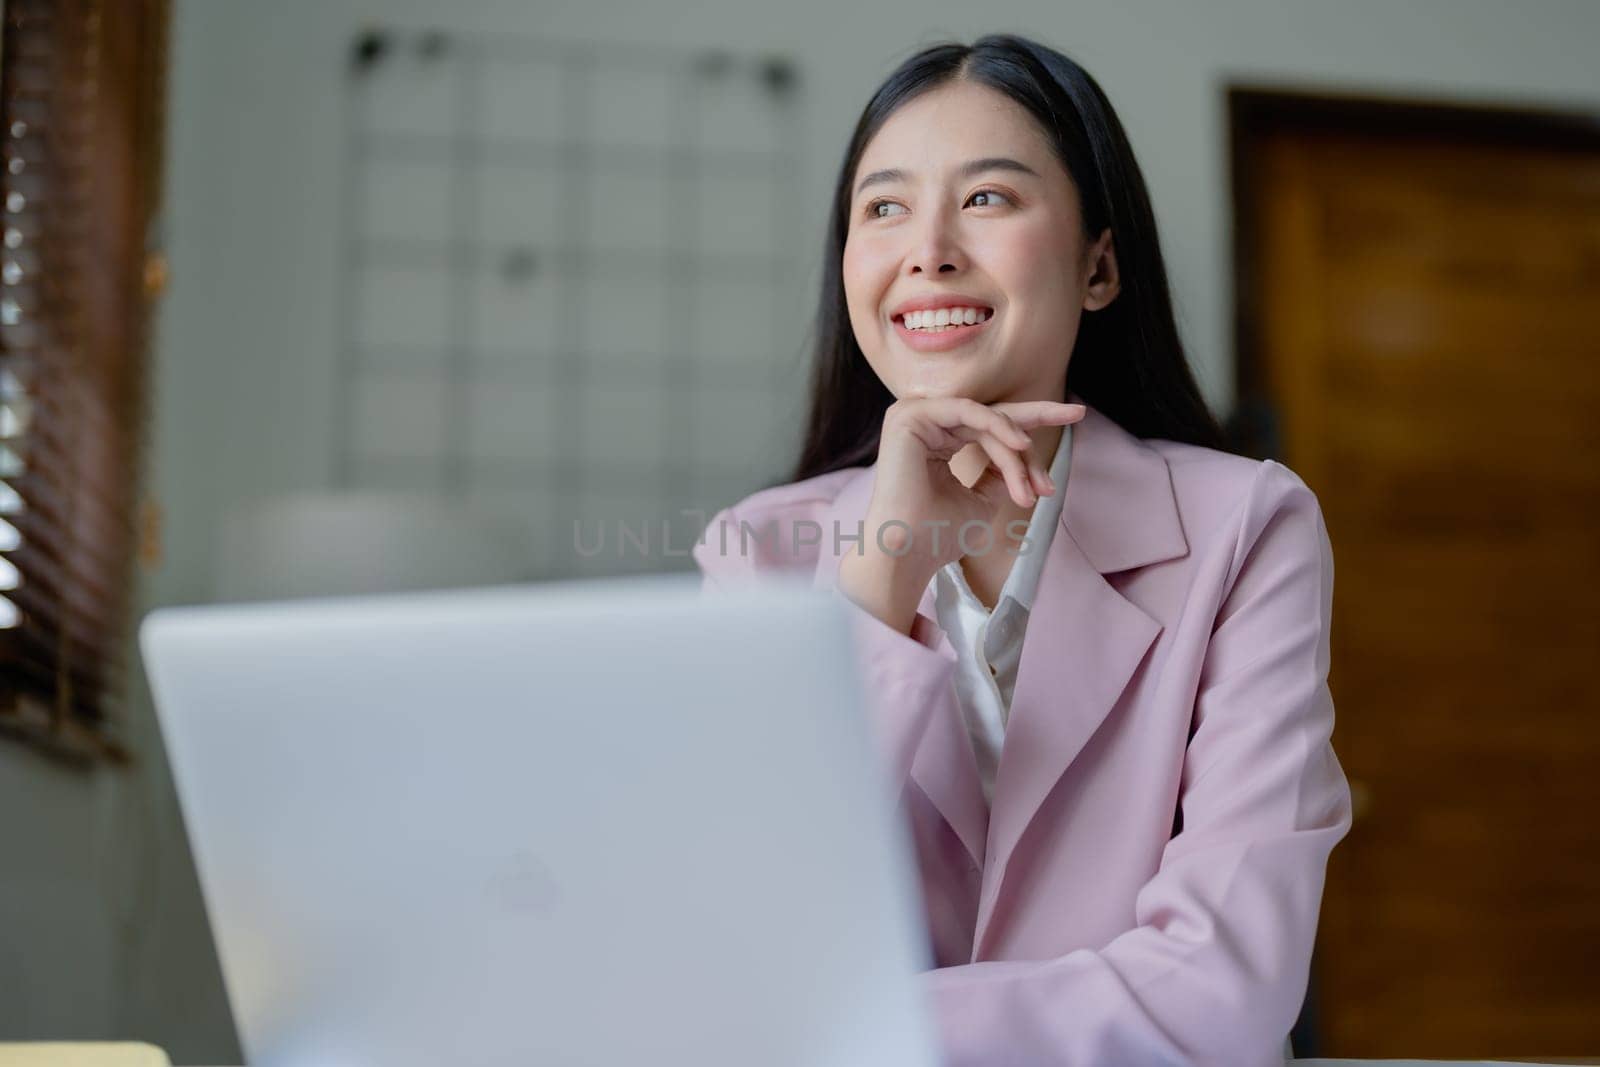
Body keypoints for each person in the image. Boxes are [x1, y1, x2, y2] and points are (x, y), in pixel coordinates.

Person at [692, 33, 1351, 1067]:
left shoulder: (1247, 526)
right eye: (884, 206)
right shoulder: (755, 551)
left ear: (1098, 265)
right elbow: (733, 938)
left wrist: (842, 1028)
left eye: (988, 198)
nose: (929, 249)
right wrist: (882, 570)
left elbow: (1226, 985)